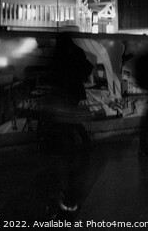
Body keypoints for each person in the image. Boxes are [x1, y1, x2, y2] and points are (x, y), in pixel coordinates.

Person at [43, 32, 93, 217]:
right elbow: (85, 69)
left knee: (65, 132)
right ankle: (81, 140)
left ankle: (76, 141)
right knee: (70, 124)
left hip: (61, 98)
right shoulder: (77, 52)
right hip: (72, 94)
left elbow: (54, 76)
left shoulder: (58, 54)